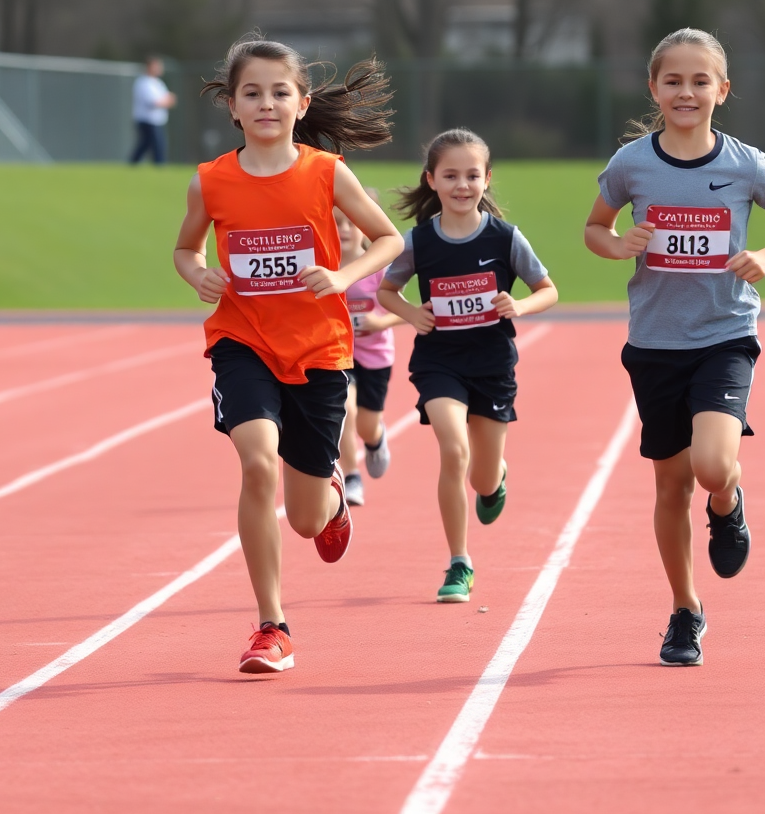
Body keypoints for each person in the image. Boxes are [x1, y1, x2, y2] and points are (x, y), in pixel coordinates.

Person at [584, 28, 765, 666]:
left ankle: (728, 501)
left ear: (723, 90)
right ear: (654, 88)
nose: (687, 91)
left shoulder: (745, 164)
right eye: (674, 81)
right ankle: (686, 611)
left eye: (700, 80)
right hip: (655, 342)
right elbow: (594, 229)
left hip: (724, 335)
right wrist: (618, 244)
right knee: (669, 485)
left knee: (712, 465)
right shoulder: (632, 163)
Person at [173, 38, 403, 674]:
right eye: (252, 92)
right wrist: (199, 276)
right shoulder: (212, 180)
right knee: (255, 466)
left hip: (319, 350)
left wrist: (342, 273)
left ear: (301, 104)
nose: (266, 103)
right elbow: (186, 250)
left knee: (306, 520)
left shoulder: (326, 172)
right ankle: (272, 626)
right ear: (233, 106)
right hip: (241, 340)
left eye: (279, 92)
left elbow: (389, 239)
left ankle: (328, 493)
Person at [378, 128, 558, 603]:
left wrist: (519, 307)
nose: (462, 185)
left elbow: (548, 290)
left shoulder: (505, 238)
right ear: (431, 180)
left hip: (493, 363)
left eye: (472, 175)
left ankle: (495, 477)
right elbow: (385, 290)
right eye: (451, 175)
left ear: (487, 179)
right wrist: (413, 314)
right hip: (440, 362)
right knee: (452, 450)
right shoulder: (418, 241)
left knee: (480, 475)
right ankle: (459, 562)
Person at [335, 194, 404, 507]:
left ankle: (375, 440)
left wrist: (378, 323)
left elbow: (402, 310)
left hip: (375, 357)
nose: (345, 229)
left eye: (351, 222)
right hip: (339, 354)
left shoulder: (377, 268)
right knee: (344, 411)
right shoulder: (325, 268)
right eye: (336, 223)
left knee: (365, 424)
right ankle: (352, 475)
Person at [129, 56, 176, 165]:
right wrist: (166, 101)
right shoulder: (143, 83)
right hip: (147, 121)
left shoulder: (158, 83)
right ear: (149, 67)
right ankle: (159, 167)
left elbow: (168, 98)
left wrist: (167, 100)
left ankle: (132, 164)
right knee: (157, 146)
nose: (159, 68)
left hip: (157, 121)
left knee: (145, 145)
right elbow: (154, 102)